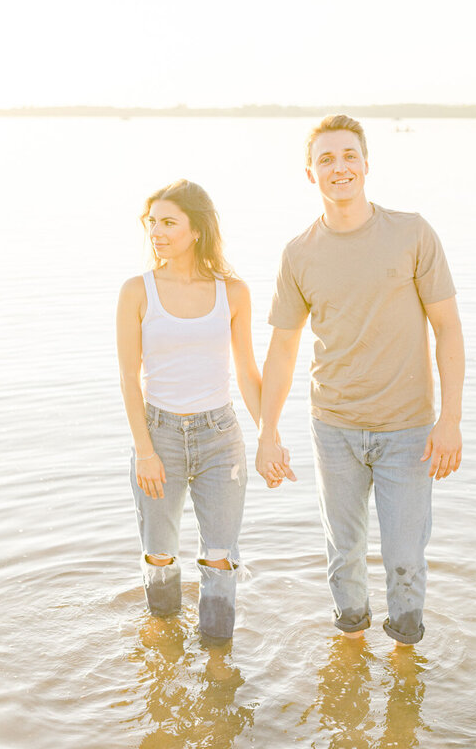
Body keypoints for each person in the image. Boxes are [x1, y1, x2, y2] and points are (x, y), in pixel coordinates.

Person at [256, 115, 466, 647]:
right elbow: (282, 349)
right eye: (326, 159)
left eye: (349, 155)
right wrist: (267, 431)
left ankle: (405, 656)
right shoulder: (298, 253)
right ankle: (348, 654)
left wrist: (451, 420)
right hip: (334, 428)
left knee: (404, 557)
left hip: (409, 431)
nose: (339, 167)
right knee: (343, 553)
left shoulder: (412, 233)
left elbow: (447, 328)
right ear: (311, 174)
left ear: (366, 165)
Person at [116, 179, 284, 644]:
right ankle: (163, 645)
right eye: (152, 223)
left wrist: (269, 434)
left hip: (219, 436)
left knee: (220, 555)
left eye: (169, 223)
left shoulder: (233, 291)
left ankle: (217, 657)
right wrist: (145, 451)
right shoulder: (137, 291)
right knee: (160, 553)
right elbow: (129, 378)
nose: (157, 232)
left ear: (196, 230)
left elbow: (249, 372)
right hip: (158, 433)